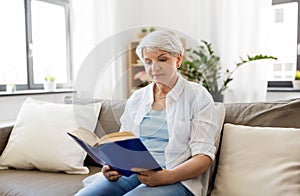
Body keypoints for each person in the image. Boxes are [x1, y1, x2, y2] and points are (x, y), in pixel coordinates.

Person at [76, 30, 222, 196]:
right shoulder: (138, 98)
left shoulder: (198, 96)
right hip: (132, 172)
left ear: (179, 59)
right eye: (148, 62)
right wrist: (112, 165)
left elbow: (203, 157)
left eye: (163, 59)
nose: (155, 68)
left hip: (177, 176)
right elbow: (123, 142)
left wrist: (168, 176)